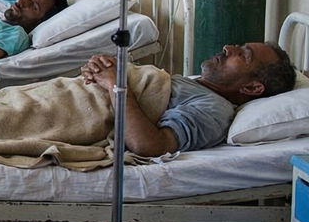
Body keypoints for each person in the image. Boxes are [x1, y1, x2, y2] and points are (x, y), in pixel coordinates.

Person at [80, 42, 296, 155]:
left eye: (242, 54)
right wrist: (102, 68)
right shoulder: (195, 84)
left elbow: (150, 146)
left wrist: (115, 84)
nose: (228, 48)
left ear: (252, 87)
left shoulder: (215, 109)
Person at [0, 0, 68, 58]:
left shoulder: (17, 35)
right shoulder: (0, 24)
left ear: (40, 22)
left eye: (34, 7)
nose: (21, 1)